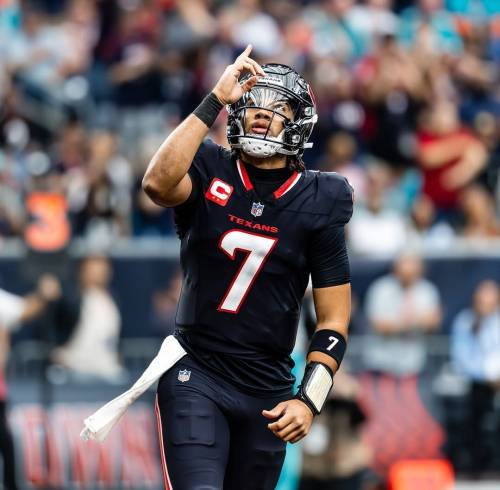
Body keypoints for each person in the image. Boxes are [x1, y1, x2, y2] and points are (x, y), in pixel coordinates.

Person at [142, 45, 353, 489]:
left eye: (277, 107)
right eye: (253, 102)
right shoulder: (209, 165)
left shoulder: (321, 198)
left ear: (299, 123)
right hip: (196, 371)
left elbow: (333, 320)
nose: (261, 112)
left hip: (268, 388)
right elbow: (157, 183)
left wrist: (309, 401)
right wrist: (215, 98)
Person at [450, 280, 500, 473]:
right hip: (476, 383)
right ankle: (477, 466)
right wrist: (485, 376)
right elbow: (461, 357)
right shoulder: (465, 321)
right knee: (474, 412)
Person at [363, 253, 442, 376]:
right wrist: (415, 323)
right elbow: (379, 326)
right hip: (382, 363)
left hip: (414, 364)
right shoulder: (381, 289)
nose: (408, 276)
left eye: (412, 273)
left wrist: (397, 325)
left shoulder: (428, 291)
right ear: (395, 270)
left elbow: (433, 323)